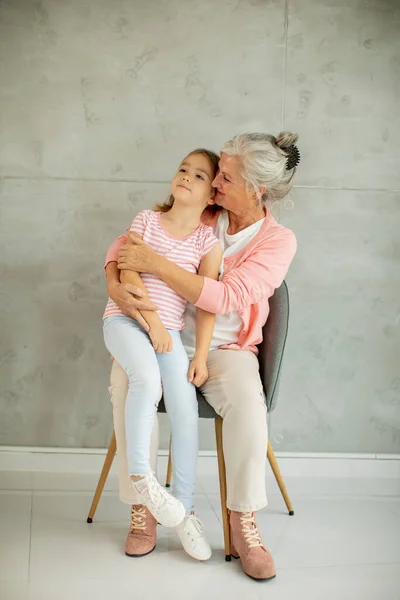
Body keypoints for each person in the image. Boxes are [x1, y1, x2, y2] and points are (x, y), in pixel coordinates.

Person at [105, 132, 299, 581]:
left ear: (257, 189)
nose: (214, 185)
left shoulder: (278, 241)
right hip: (156, 330)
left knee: (249, 405)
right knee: (124, 383)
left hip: (226, 350)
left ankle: (243, 521)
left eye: (225, 178)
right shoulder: (203, 208)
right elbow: (126, 245)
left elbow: (226, 294)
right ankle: (143, 505)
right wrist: (116, 285)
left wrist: (156, 265)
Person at [103, 149, 223, 560]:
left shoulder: (209, 243)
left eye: (200, 175)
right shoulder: (147, 221)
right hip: (126, 321)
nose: (187, 177)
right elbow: (128, 268)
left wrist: (200, 356)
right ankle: (142, 480)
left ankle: (184, 510)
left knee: (185, 407)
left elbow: (206, 303)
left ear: (213, 194)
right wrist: (152, 324)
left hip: (168, 333)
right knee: (146, 381)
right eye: (182, 169)